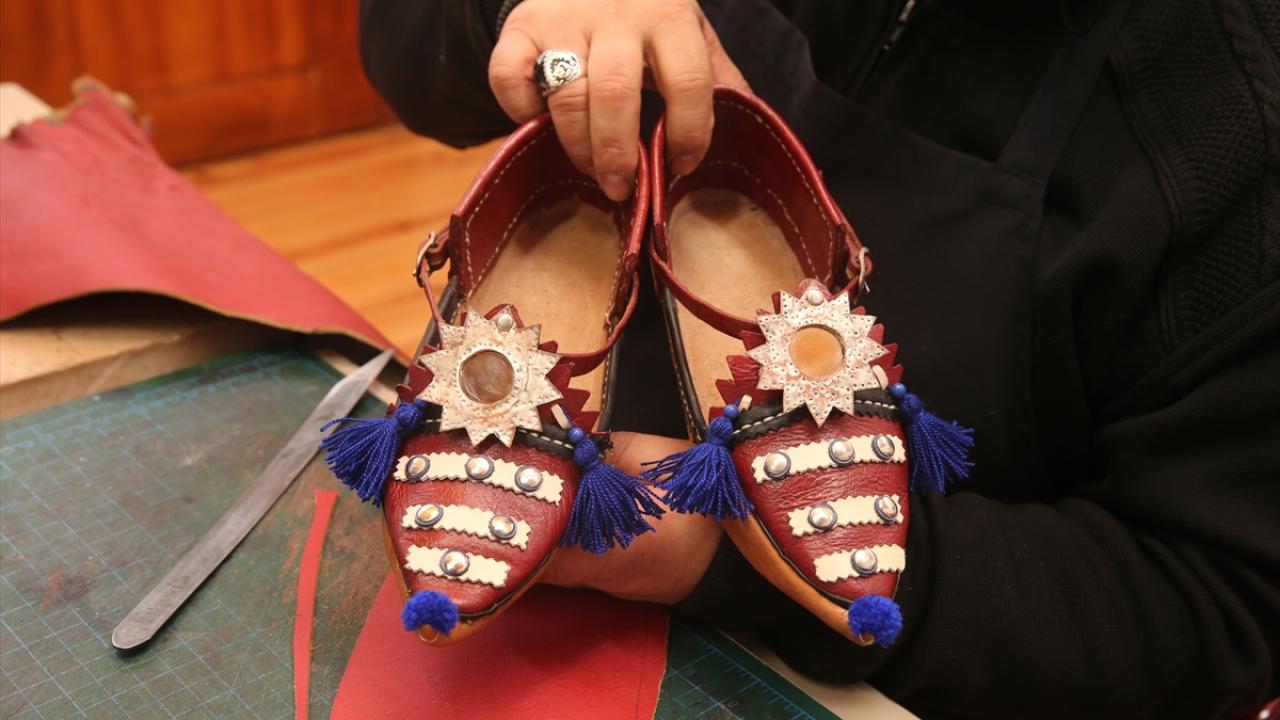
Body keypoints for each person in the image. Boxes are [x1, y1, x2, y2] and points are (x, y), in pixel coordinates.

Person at [358, 0, 1280, 716]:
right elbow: (399, 43)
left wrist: (717, 555)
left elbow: (1222, 610)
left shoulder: (1241, 129)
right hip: (501, 653)